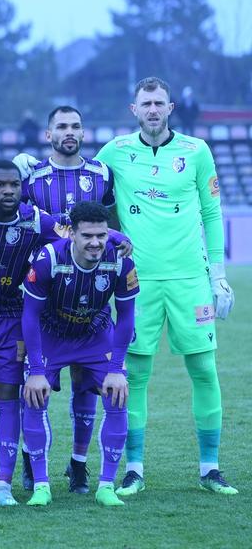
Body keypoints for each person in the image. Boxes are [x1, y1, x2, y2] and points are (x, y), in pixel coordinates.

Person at [0, 160, 131, 508]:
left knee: (11, 395)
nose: (8, 190)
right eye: (0, 185)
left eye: (14, 185)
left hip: (9, 320)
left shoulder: (37, 220)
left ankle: (5, 485)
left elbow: (76, 230)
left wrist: (116, 236)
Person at [95, 77, 236, 495]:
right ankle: (134, 469)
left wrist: (218, 274)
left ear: (171, 108)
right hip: (138, 281)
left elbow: (212, 213)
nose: (153, 110)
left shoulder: (197, 151)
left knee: (204, 368)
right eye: (146, 104)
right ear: (133, 110)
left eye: (159, 103)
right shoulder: (114, 152)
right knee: (136, 373)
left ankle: (210, 468)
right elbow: (85, 184)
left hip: (190, 279)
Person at [20, 106, 116, 494]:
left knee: (85, 384)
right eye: (61, 126)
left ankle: (78, 464)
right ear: (49, 134)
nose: (69, 132)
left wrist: (119, 242)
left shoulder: (102, 174)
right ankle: (32, 462)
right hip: (46, 293)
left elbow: (108, 225)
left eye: (76, 125)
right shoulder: (30, 177)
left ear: (84, 131)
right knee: (34, 385)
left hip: (90, 295)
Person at [21, 202, 137, 508]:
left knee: (117, 395)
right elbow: (30, 316)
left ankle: (106, 486)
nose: (95, 243)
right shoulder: (48, 258)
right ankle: (41, 485)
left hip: (95, 334)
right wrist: (36, 371)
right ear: (72, 234)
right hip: (52, 334)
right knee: (33, 397)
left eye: (101, 235)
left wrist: (116, 368)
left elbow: (126, 317)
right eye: (87, 236)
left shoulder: (121, 260)